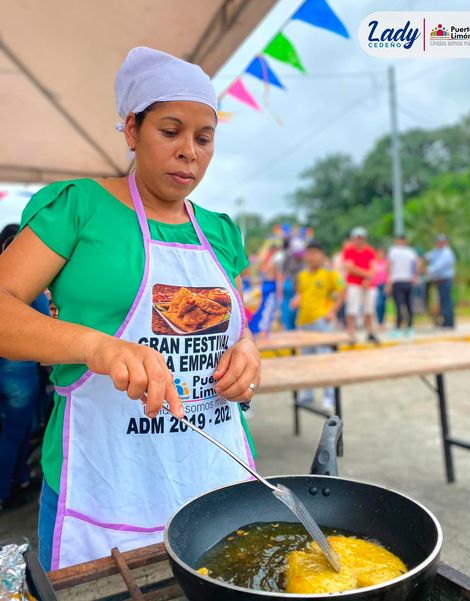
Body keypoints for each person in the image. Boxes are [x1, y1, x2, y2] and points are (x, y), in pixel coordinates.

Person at [0, 48, 260, 570]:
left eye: (203, 138)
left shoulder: (219, 230)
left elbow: (238, 327)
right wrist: (95, 346)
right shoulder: (79, 207)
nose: (189, 152)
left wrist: (248, 353)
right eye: (170, 131)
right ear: (132, 129)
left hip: (213, 474)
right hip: (105, 487)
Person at [0, 225, 51, 512]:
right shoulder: (28, 280)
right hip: (18, 370)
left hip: (7, 368)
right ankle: (7, 489)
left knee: (11, 430)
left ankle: (17, 479)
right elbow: (45, 324)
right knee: (17, 432)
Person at [290, 242, 345, 412]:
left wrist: (332, 312)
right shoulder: (302, 275)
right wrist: (297, 299)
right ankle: (307, 394)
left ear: (322, 255)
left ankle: (329, 397)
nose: (311, 257)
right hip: (303, 321)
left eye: (315, 253)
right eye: (309, 253)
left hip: (321, 321)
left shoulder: (330, 273)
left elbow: (342, 290)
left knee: (324, 359)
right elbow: (301, 293)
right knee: (306, 360)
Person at [343, 227, 379, 344]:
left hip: (368, 284)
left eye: (361, 238)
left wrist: (367, 278)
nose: (359, 240)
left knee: (369, 309)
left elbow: (373, 268)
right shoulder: (349, 250)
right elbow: (349, 267)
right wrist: (366, 274)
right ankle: (351, 332)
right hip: (354, 283)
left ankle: (370, 332)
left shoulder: (370, 251)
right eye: (357, 238)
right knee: (352, 309)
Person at [386, 235, 418, 337]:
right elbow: (416, 264)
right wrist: (414, 276)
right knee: (408, 305)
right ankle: (410, 327)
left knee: (399, 305)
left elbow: (389, 266)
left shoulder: (393, 251)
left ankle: (398, 327)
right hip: (408, 280)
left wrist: (389, 281)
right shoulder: (411, 252)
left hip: (397, 280)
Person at [425, 234, 456, 328]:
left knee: (446, 301)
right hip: (438, 281)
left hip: (445, 280)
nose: (440, 243)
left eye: (442, 242)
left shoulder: (447, 253)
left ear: (445, 242)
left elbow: (440, 265)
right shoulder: (437, 251)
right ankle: (445, 321)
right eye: (438, 241)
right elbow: (428, 256)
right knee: (442, 301)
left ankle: (448, 323)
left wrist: (428, 270)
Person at [371, 247, 388, 329]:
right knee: (378, 303)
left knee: (383, 304)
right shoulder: (373, 262)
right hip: (376, 285)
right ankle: (379, 321)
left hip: (384, 285)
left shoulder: (386, 263)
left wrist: (388, 285)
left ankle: (382, 320)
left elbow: (388, 274)